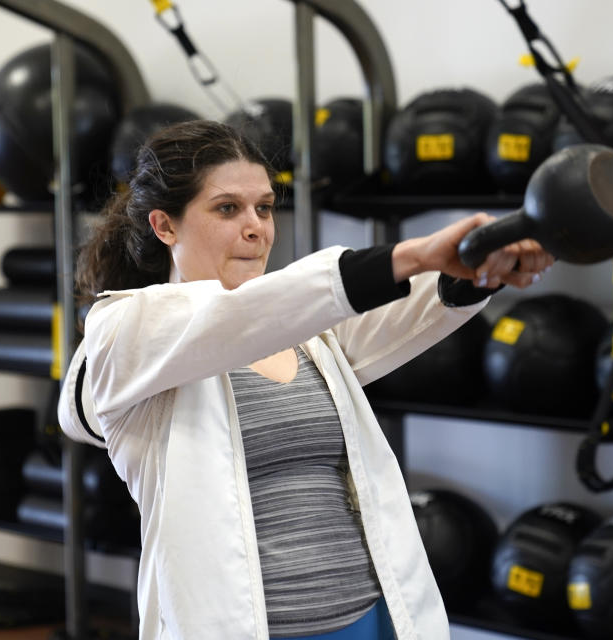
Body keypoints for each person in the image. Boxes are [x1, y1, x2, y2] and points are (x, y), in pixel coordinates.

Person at [57, 119, 553, 640]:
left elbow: (397, 311)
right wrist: (412, 253)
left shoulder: (303, 333)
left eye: (265, 207)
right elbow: (237, 318)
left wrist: (482, 267)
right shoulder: (125, 332)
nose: (257, 227)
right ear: (165, 226)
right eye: (228, 208)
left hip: (369, 619)